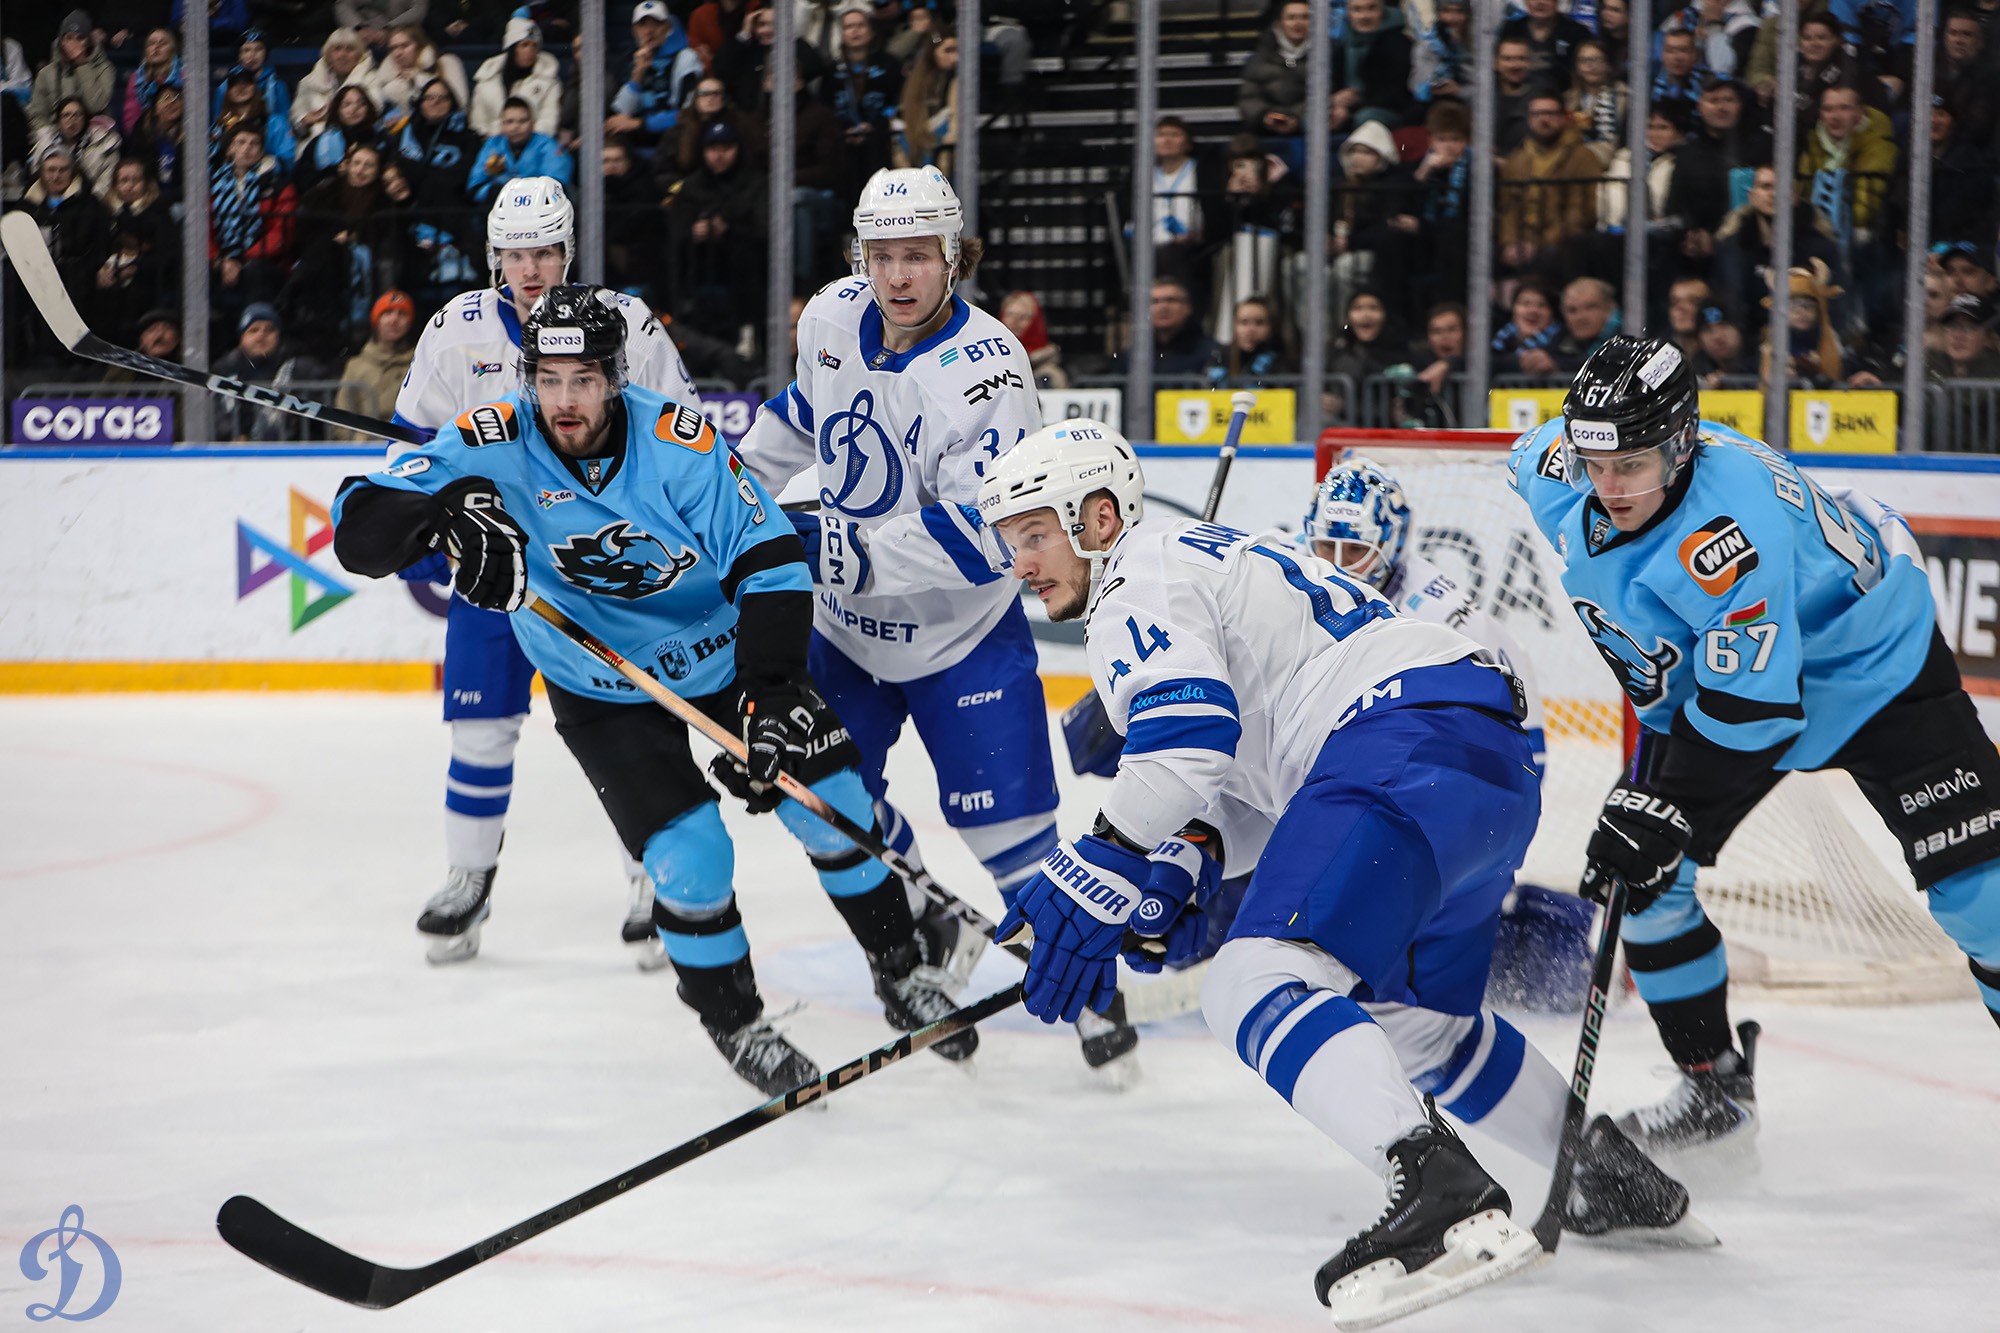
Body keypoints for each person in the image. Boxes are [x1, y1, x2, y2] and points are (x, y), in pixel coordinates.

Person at [977, 420, 1701, 1324]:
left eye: (1035, 534)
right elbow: (1248, 774)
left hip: (1398, 740)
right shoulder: (1211, 558)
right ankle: (1605, 1174)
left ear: (1097, 517)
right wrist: (1188, 858)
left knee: (1250, 980)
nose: (1021, 563)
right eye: (1010, 542)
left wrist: (1098, 864)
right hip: (1486, 768)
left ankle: (1438, 1188)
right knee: (1420, 1030)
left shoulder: (1136, 575)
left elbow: (1187, 737)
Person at [332, 286, 977, 1096]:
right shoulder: (489, 439)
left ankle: (902, 970)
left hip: (723, 655)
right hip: (598, 682)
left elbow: (770, 559)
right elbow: (357, 527)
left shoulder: (678, 442)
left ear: (615, 377)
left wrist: (774, 689)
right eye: (549, 380)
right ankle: (734, 1019)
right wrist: (444, 513)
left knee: (835, 804)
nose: (566, 401)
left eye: (584, 380)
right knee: (692, 857)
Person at [1509, 334, 2000, 1162]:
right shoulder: (1555, 467)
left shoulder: (1729, 535)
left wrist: (1667, 805)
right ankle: (1714, 1089)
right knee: (1649, 882)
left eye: (1631, 465)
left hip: (1873, 666)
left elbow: (1753, 711)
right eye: (1595, 463)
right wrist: (1660, 821)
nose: (1609, 487)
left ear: (1680, 445)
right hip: (1724, 684)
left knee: (1982, 897)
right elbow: (1536, 460)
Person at [737, 167, 1140, 1076]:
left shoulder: (990, 367)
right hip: (844, 631)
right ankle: (924, 917)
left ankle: (1092, 991)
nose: (897, 275)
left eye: (918, 255)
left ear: (954, 255)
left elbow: (990, 532)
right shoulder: (829, 317)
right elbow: (800, 419)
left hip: (961, 637)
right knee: (828, 800)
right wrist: (729, 492)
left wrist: (845, 551)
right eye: (881, 255)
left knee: (1013, 844)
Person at [388, 177, 704, 966]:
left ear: (569, 252)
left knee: (637, 730)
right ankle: (468, 877)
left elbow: (687, 434)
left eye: (545, 252)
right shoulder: (455, 330)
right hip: (495, 568)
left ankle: (655, 880)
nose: (530, 269)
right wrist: (421, 519)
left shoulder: (624, 323)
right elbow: (408, 447)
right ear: (494, 256)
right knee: (480, 728)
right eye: (515, 254)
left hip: (605, 570)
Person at [1499, 92, 1601, 273]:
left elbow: (1580, 213)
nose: (1544, 120)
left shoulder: (1582, 157)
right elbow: (1508, 209)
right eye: (1537, 114)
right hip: (1522, 242)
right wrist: (1510, 243)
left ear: (1563, 118)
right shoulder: (1517, 160)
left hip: (1562, 243)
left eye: (1550, 113)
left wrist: (1539, 245)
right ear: (1529, 119)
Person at [213, 303, 329, 442]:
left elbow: (321, 410)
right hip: (236, 452)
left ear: (278, 336)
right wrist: (234, 435)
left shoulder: (301, 368)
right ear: (242, 337)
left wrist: (293, 415)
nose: (261, 335)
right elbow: (215, 414)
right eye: (254, 330)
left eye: (269, 330)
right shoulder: (225, 369)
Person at [608, 0, 705, 140]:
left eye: (657, 24)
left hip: (674, 140)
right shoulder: (627, 61)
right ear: (634, 30)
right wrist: (638, 73)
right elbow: (620, 114)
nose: (649, 31)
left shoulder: (686, 58)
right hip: (635, 143)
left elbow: (689, 113)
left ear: (668, 27)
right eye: (643, 25)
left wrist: (640, 123)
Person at [470, 13, 562, 139]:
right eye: (524, 45)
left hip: (534, 146)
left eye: (534, 46)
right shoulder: (486, 80)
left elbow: (549, 122)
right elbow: (478, 124)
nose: (530, 51)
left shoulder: (549, 81)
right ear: (512, 48)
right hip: (492, 146)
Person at [336, 288, 417, 432]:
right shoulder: (356, 365)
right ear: (376, 321)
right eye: (387, 313)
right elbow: (342, 414)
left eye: (402, 314)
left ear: (410, 323)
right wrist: (357, 441)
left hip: (406, 442)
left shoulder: (419, 363)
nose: (394, 320)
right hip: (366, 444)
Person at [467, 96, 574, 202]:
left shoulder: (548, 145)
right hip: (499, 206)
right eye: (509, 121)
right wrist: (498, 192)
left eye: (522, 121)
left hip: (540, 207)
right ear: (502, 124)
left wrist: (520, 193)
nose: (515, 127)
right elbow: (474, 187)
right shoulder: (493, 145)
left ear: (532, 123)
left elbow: (557, 188)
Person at [28, 12, 115, 133]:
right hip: (55, 133)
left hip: (94, 133)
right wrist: (46, 133)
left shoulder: (104, 69)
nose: (74, 44)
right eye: (69, 38)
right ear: (61, 41)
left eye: (80, 38)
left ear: (88, 42)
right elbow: (38, 114)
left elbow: (96, 106)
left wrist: (82, 65)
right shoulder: (46, 74)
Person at [368, 23, 469, 124]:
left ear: (420, 46)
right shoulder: (387, 80)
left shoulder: (447, 63)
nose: (398, 53)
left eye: (404, 46)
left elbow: (460, 102)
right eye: (393, 48)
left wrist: (417, 80)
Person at [1238, 0, 1312, 136]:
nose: (1298, 23)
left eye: (1305, 17)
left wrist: (1298, 116)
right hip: (1266, 128)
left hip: (1311, 125)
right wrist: (1265, 116)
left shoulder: (1330, 54)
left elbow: (1331, 95)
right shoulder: (1260, 58)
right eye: (1291, 18)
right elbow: (1249, 97)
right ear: (1279, 23)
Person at [293, 28, 376, 140]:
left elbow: (374, 111)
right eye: (337, 49)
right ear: (329, 55)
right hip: (315, 142)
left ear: (359, 56)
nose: (343, 55)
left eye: (350, 49)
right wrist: (304, 120)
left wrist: (328, 116)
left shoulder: (371, 80)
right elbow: (296, 118)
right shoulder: (308, 83)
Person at [117, 26, 179, 135]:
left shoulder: (183, 75)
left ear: (172, 49)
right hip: (145, 134)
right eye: (152, 43)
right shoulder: (136, 78)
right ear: (146, 50)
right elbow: (131, 117)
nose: (156, 47)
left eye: (162, 43)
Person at [1928, 295, 2000, 379]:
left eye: (1969, 327)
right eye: (1952, 326)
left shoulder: (1996, 378)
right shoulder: (1926, 370)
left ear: (1989, 337)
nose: (1958, 335)